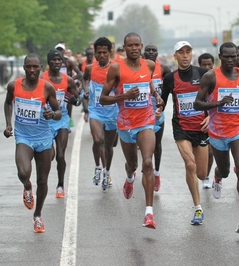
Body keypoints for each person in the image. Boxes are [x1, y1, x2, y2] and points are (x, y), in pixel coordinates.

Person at [194, 42, 239, 235]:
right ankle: (217, 176)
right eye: (227, 57)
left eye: (234, 57)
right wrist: (218, 103)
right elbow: (198, 104)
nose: (231, 60)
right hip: (217, 133)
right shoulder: (210, 76)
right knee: (224, 171)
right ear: (220, 57)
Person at [99, 32, 163, 229]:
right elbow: (103, 98)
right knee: (133, 164)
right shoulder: (116, 68)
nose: (134, 48)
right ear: (124, 48)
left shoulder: (149, 65)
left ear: (141, 46)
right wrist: (124, 96)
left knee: (147, 162)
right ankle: (129, 179)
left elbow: (148, 83)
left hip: (146, 121)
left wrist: (156, 96)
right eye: (130, 46)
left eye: (137, 45)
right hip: (126, 124)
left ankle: (149, 213)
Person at [3, 53, 62, 233]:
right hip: (24, 137)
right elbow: (8, 103)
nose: (32, 70)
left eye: (35, 67)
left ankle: (37, 215)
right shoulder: (14, 86)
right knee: (23, 172)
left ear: (40, 67)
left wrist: (51, 114)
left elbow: (58, 112)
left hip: (43, 138)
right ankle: (27, 187)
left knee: (43, 180)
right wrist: (8, 124)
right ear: (24, 67)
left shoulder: (47, 88)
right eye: (28, 66)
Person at [161, 41, 209, 225]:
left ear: (192, 54)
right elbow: (163, 102)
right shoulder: (170, 79)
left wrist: (210, 117)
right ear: (175, 56)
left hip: (201, 128)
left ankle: (202, 183)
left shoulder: (203, 74)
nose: (185, 55)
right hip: (181, 127)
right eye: (181, 52)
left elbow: (214, 98)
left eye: (188, 52)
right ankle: (198, 208)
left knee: (202, 173)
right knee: (190, 165)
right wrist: (158, 110)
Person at [42, 50, 80, 199]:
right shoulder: (42, 79)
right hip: (45, 122)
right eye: (54, 60)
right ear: (49, 62)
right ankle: (43, 181)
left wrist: (72, 98)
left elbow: (76, 96)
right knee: (49, 156)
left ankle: (60, 185)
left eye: (59, 60)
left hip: (62, 119)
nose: (57, 62)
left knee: (60, 155)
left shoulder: (68, 79)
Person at [82, 37, 119, 190]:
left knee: (109, 146)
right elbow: (84, 80)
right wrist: (85, 90)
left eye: (105, 52)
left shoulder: (116, 69)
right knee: (98, 140)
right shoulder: (90, 68)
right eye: (99, 53)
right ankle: (98, 167)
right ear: (95, 54)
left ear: (110, 53)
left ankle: (107, 172)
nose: (102, 55)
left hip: (112, 112)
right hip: (96, 110)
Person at [143, 44, 171, 192]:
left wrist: (162, 105)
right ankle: (143, 167)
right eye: (148, 50)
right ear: (143, 53)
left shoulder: (164, 69)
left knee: (157, 145)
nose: (151, 52)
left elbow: (170, 88)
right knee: (142, 145)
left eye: (154, 50)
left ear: (157, 54)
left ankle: (157, 173)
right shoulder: (138, 68)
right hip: (141, 114)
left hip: (158, 112)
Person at [197, 52, 215, 190]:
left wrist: (210, 116)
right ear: (199, 65)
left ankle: (207, 176)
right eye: (204, 65)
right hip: (196, 119)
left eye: (210, 64)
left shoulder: (216, 78)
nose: (207, 67)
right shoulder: (197, 80)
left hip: (213, 119)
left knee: (210, 151)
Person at [55, 43, 83, 129]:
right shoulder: (52, 62)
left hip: (67, 87)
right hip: (56, 87)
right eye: (57, 50)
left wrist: (70, 79)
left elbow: (79, 74)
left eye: (61, 50)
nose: (59, 51)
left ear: (64, 51)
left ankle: (68, 121)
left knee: (68, 103)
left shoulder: (68, 61)